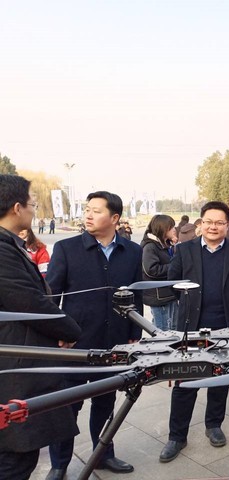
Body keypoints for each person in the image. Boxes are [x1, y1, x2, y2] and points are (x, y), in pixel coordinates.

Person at [46, 191, 142, 479]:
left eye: (96, 210)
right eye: (87, 209)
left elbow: (135, 294)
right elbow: (51, 297)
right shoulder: (66, 248)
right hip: (75, 344)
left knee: (105, 403)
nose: (88, 215)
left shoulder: (132, 251)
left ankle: (103, 455)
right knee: (67, 407)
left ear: (115, 218)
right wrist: (56, 333)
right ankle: (59, 465)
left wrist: (134, 331)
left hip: (113, 345)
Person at [0, 174, 81, 480]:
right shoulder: (2, 249)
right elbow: (29, 302)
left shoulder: (9, 244)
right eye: (32, 204)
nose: (34, 210)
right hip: (15, 369)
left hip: (16, 361)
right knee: (15, 461)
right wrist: (69, 331)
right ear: (16, 208)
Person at [159, 201, 229, 463]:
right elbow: (172, 282)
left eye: (219, 223)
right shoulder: (184, 250)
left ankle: (214, 424)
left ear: (227, 226)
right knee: (184, 383)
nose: (213, 227)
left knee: (219, 379)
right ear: (201, 223)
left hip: (225, 328)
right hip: (191, 327)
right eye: (209, 222)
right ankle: (177, 436)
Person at [140, 214, 178, 331]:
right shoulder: (150, 246)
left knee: (173, 327)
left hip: (168, 293)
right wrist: (173, 267)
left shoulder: (164, 244)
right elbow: (151, 270)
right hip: (158, 296)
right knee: (162, 329)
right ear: (163, 229)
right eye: (171, 227)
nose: (174, 230)